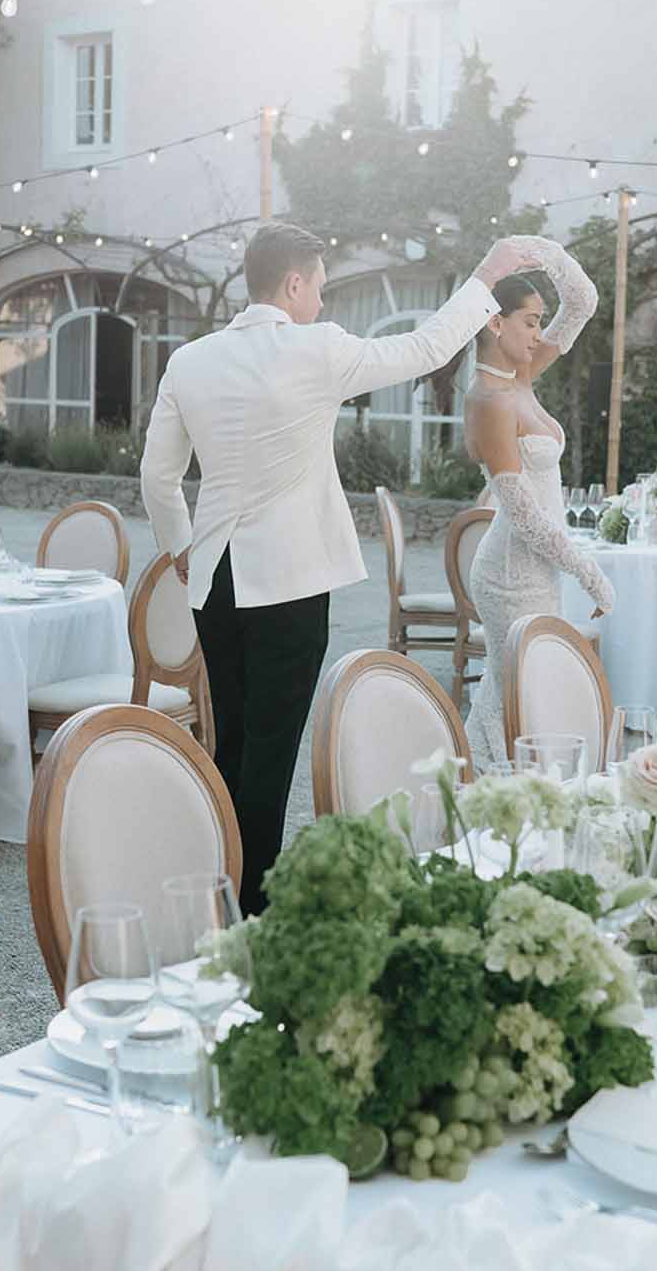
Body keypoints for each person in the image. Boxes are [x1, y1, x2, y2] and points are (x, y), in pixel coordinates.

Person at [141, 219, 543, 910]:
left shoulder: (190, 360)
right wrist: (486, 276)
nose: (323, 304)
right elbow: (425, 347)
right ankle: (250, 907)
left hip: (215, 579)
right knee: (269, 752)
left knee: (231, 739)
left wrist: (181, 546)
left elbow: (157, 476)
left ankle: (215, 877)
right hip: (289, 581)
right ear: (293, 283)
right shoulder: (316, 350)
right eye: (320, 288)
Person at [463, 236, 616, 771]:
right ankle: (490, 787)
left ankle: (479, 781)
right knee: (519, 696)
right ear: (493, 323)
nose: (538, 334)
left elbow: (584, 303)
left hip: (539, 567)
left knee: (516, 690)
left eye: (538, 323)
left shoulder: (522, 374)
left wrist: (547, 254)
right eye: (530, 321)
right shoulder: (487, 400)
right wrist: (590, 572)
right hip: (510, 572)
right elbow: (525, 514)